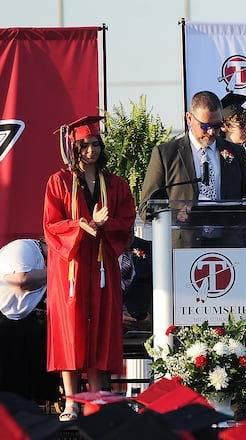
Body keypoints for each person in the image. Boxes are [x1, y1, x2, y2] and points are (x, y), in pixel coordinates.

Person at [44, 115, 136, 420]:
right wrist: (80, 225)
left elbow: (126, 221)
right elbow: (51, 224)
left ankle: (96, 403)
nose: (91, 151)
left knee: (100, 331)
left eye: (95, 144)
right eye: (84, 145)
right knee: (70, 331)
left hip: (101, 266)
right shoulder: (58, 182)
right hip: (71, 268)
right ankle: (71, 402)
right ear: (74, 148)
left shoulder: (116, 184)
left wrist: (103, 225)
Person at [138, 90, 246, 219]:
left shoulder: (236, 153)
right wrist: (175, 215)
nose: (211, 132)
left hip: (227, 236)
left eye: (216, 125)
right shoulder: (165, 155)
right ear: (189, 118)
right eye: (205, 126)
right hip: (185, 235)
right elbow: (146, 207)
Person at [0, 238, 60, 402]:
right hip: (11, 325)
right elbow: (21, 279)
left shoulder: (40, 257)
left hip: (28, 325)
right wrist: (58, 271)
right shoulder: (24, 247)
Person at [119, 232, 153, 331]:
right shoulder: (96, 248)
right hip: (108, 330)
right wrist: (114, 316)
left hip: (143, 327)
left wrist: (153, 316)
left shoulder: (149, 249)